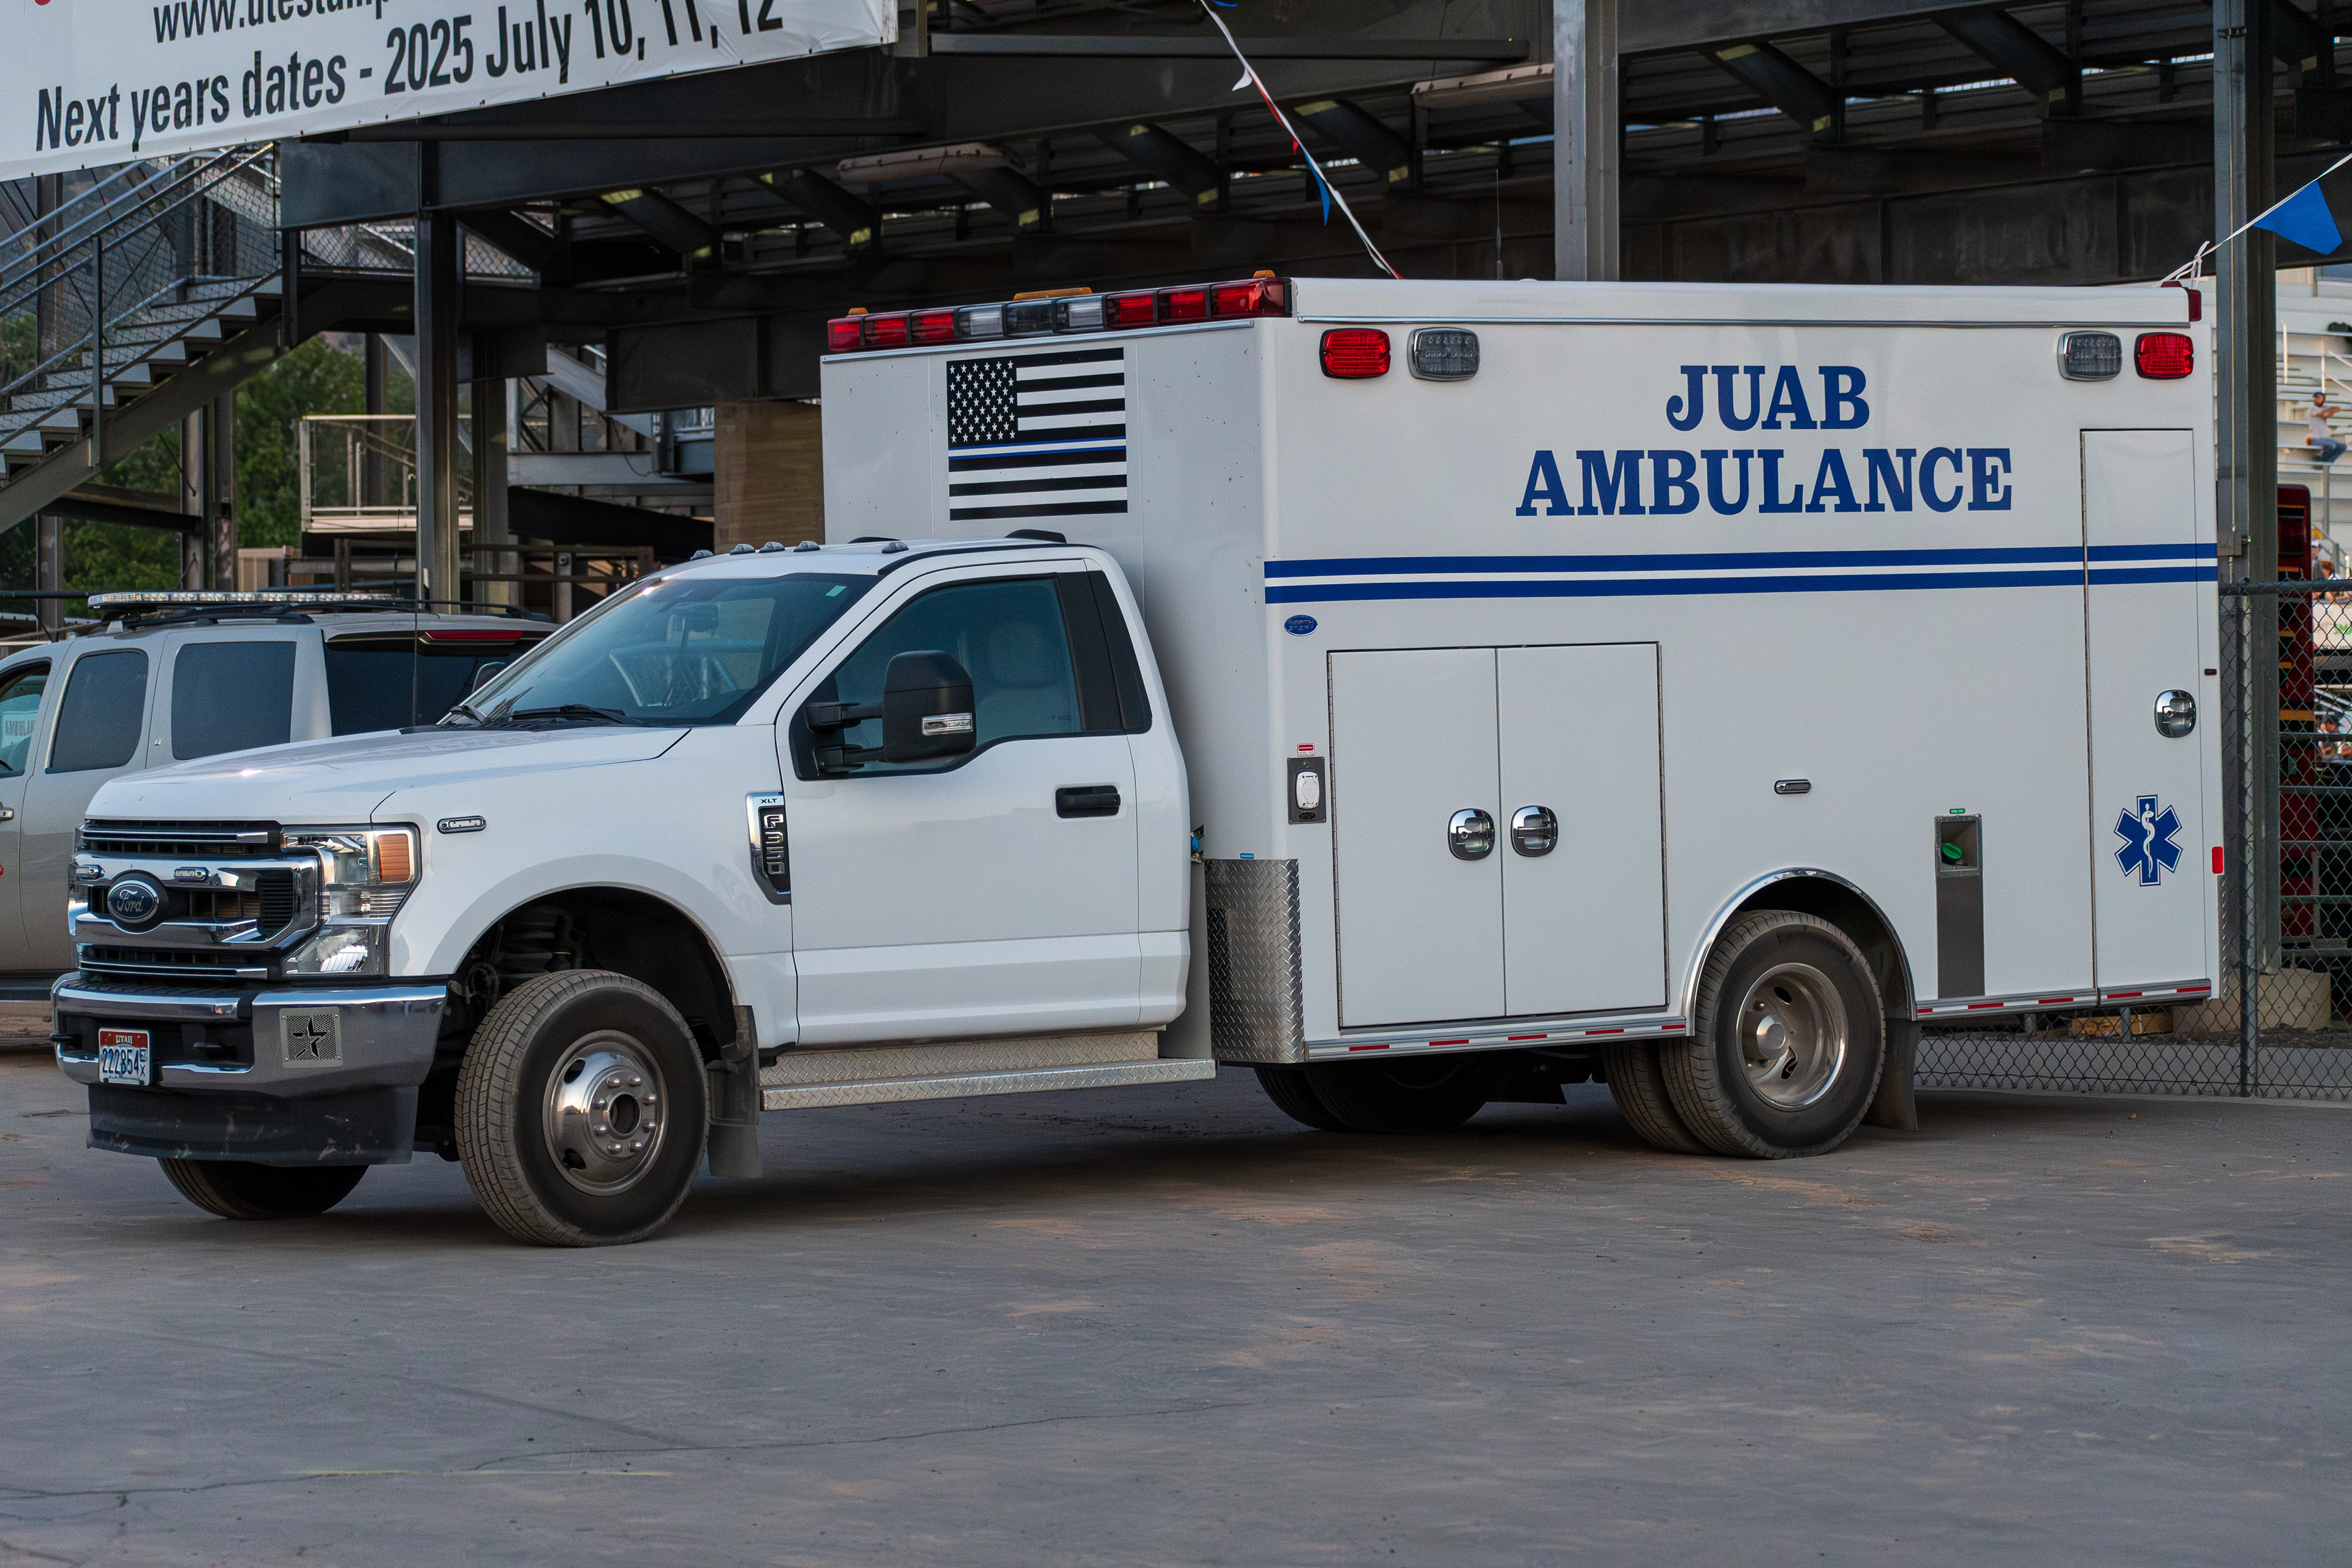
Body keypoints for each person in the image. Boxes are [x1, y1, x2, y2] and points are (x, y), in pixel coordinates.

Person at [2311, 392, 2346, 467]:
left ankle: (2326, 465)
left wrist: (2330, 410)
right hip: (2311, 438)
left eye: (2319, 398)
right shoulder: (2312, 408)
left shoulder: (2324, 408)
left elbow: (2338, 409)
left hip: (2323, 438)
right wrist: (2330, 410)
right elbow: (2324, 414)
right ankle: (2322, 464)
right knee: (2331, 446)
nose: (2317, 400)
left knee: (2343, 446)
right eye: (2316, 398)